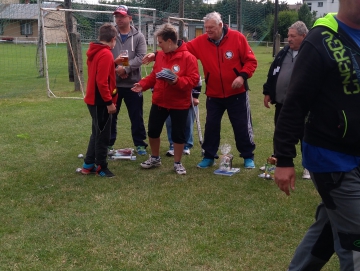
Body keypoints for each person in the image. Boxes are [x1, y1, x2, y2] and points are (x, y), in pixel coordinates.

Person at [273, 0, 360, 269]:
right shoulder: (320, 40)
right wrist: (284, 158)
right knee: (356, 241)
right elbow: (295, 102)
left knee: (330, 225)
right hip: (331, 157)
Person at [144, 12, 258, 169]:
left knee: (242, 125)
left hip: (237, 93)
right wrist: (157, 54)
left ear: (220, 25)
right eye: (206, 28)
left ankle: (247, 156)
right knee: (211, 126)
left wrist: (242, 77)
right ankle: (209, 156)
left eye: (211, 27)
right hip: (214, 93)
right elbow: (180, 48)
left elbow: (251, 61)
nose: (208, 31)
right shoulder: (201, 41)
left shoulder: (237, 38)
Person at [132, 23, 199, 175]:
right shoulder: (160, 56)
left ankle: (177, 163)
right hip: (159, 101)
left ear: (170, 41)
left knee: (178, 134)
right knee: (153, 131)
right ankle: (155, 158)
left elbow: (194, 80)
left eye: (160, 42)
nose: (158, 46)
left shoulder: (188, 58)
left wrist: (177, 81)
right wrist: (142, 85)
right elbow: (154, 76)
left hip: (179, 103)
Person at [262, 21, 310, 179]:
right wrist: (268, 92)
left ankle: (307, 167)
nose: (288, 39)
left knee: (305, 135)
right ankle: (277, 160)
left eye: (292, 36)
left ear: (304, 36)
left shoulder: (311, 53)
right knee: (280, 132)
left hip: (304, 105)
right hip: (283, 103)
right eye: (288, 36)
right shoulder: (283, 53)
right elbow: (272, 73)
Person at [110, 5, 148, 156]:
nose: (119, 19)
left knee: (136, 116)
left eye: (122, 16)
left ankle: (140, 144)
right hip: (114, 84)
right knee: (111, 115)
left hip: (133, 84)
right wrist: (116, 70)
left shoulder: (139, 36)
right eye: (117, 16)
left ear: (130, 18)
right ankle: (108, 143)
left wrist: (125, 69)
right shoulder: (110, 34)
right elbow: (104, 54)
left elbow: (141, 57)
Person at [81, 23, 118, 178]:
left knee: (97, 132)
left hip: (93, 100)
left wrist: (113, 64)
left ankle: (88, 164)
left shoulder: (95, 51)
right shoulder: (106, 54)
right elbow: (101, 82)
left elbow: (99, 72)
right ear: (113, 39)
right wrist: (109, 102)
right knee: (103, 135)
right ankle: (101, 167)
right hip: (100, 101)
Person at [165, 77, 202, 156]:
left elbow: (197, 79)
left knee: (187, 123)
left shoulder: (190, 64)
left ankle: (186, 145)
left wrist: (195, 96)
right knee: (170, 122)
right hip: (169, 98)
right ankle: (173, 145)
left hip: (187, 97)